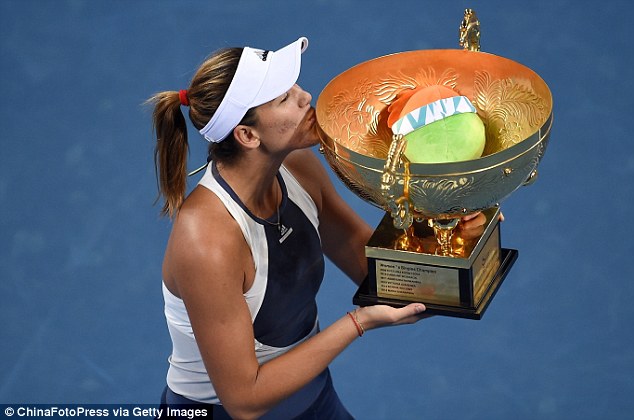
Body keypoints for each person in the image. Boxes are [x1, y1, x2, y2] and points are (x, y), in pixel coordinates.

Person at [148, 36, 486, 419]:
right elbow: (244, 399)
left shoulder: (298, 167)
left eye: (294, 87)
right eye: (284, 98)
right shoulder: (206, 241)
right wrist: (358, 323)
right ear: (247, 135)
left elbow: (378, 276)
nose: (306, 96)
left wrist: (449, 231)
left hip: (312, 399)